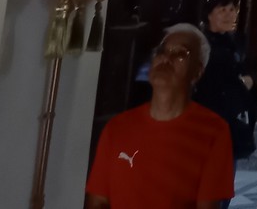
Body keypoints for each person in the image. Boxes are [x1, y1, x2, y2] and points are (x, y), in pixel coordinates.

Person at [86, 23, 234, 209]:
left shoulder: (213, 131)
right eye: (162, 51)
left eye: (180, 53)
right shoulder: (117, 128)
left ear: (197, 72)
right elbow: (97, 202)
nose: (166, 58)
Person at [195, 0, 256, 207]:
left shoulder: (233, 42)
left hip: (231, 122)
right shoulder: (201, 45)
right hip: (209, 122)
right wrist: (241, 83)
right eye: (223, 10)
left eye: (232, 10)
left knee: (225, 182)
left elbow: (243, 74)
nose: (230, 14)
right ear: (209, 15)